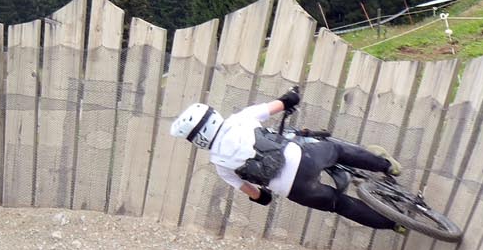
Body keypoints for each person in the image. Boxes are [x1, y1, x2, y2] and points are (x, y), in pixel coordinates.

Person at [168, 87, 407, 233]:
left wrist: (263, 197)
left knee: (340, 205)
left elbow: (253, 193)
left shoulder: (220, 164)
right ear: (212, 116)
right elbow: (281, 104)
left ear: (196, 139)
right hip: (306, 159)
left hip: (297, 190)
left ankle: (394, 225)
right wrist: (291, 97)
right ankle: (388, 166)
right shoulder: (238, 119)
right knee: (336, 150)